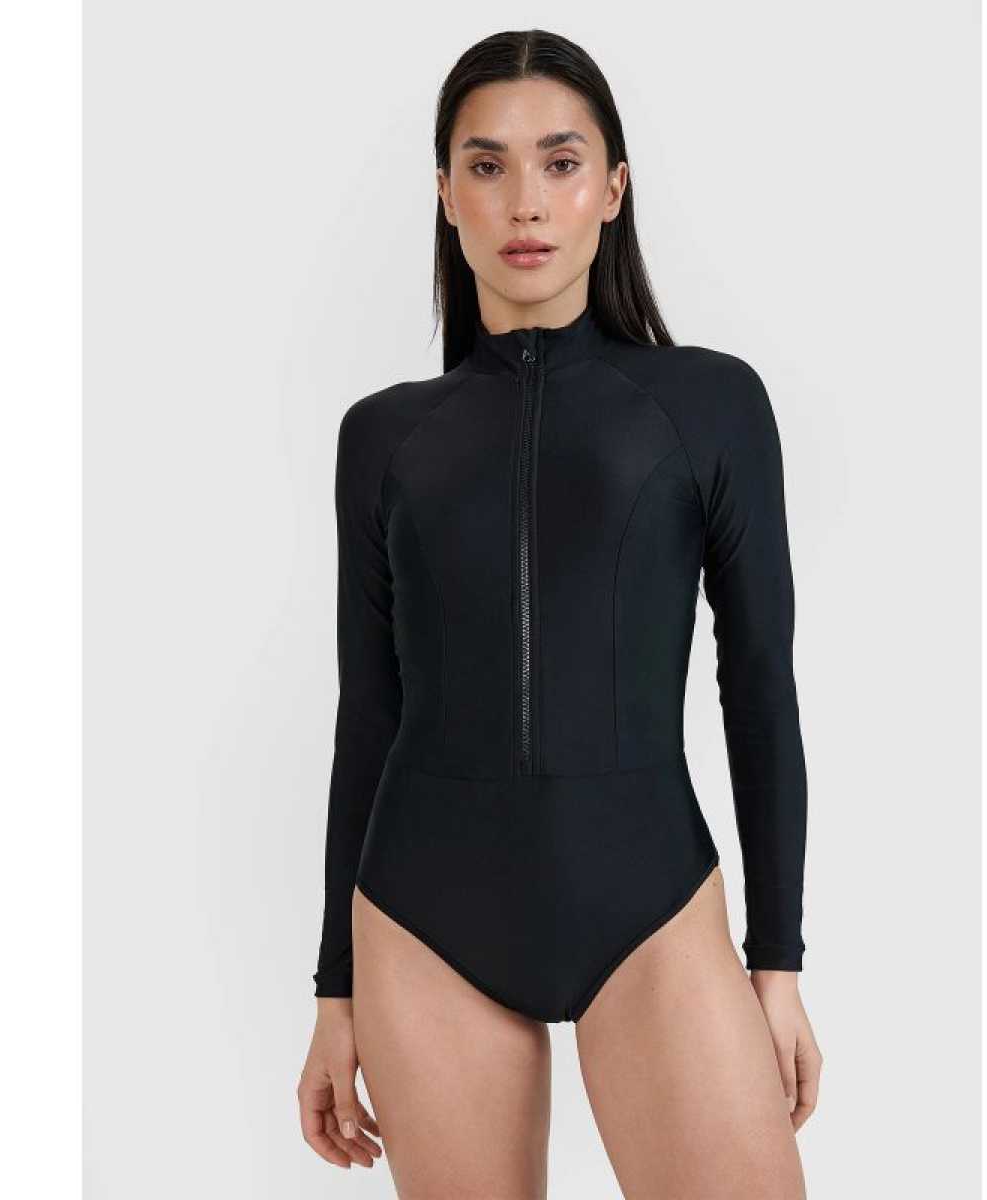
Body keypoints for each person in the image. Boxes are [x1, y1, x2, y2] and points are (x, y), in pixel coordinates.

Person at [297, 28, 822, 1199]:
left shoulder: (710, 406)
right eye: (486, 166)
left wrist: (777, 962)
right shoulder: (383, 437)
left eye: (561, 161)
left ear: (614, 188)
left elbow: (760, 689)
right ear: (446, 193)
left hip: (650, 904)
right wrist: (335, 990)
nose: (525, 201)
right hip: (424, 917)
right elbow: (368, 715)